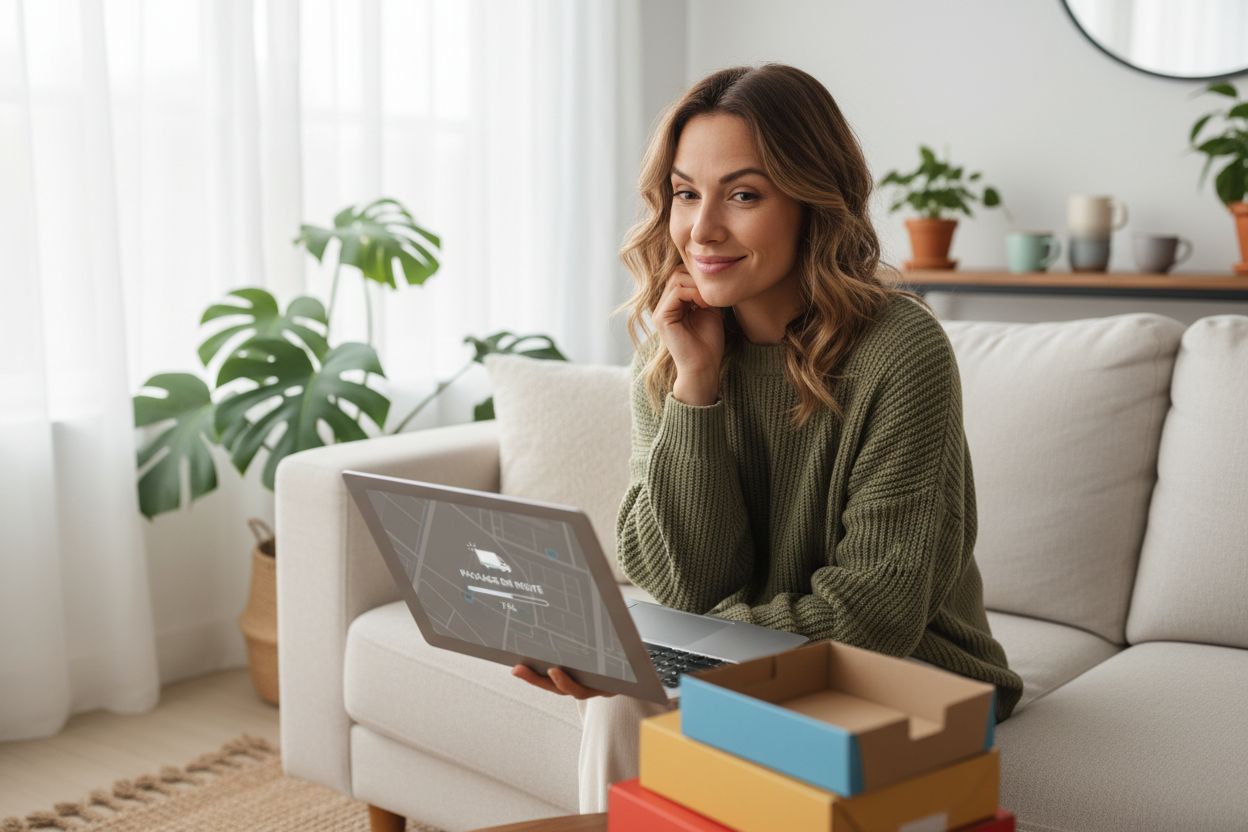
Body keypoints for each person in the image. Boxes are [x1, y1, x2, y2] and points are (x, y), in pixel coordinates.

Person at [512, 63, 1023, 813]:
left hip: (908, 672)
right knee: (623, 704)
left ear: (813, 203)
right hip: (748, 664)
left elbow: (873, 617)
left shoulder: (900, 351)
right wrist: (697, 388)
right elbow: (683, 583)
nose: (701, 229)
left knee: (649, 700)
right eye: (686, 193)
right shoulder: (674, 348)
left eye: (743, 195)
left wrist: (670, 656)